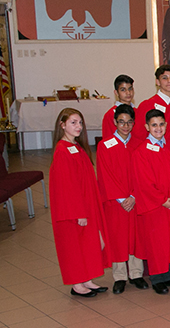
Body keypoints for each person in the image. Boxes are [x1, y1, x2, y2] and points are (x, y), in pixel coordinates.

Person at [50, 108, 110, 297]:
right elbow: (66, 186)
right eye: (73, 123)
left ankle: (87, 279)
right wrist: (78, 213)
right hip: (74, 211)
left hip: (87, 205)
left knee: (88, 244)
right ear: (62, 125)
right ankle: (77, 284)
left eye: (80, 123)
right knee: (74, 247)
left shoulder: (77, 147)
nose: (78, 127)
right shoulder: (62, 150)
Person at [131, 109, 170, 295]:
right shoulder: (141, 152)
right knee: (157, 243)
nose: (158, 128)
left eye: (161, 124)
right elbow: (143, 182)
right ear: (147, 127)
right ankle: (157, 277)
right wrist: (162, 200)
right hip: (156, 206)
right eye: (154, 125)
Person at [96, 104, 146, 294]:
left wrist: (133, 196)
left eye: (129, 122)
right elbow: (105, 175)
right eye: (121, 122)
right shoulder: (105, 145)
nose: (125, 126)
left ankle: (136, 273)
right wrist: (120, 198)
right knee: (118, 237)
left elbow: (143, 174)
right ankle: (120, 276)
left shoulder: (139, 144)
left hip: (135, 200)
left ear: (134, 123)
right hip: (116, 202)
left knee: (136, 236)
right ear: (115, 122)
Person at [134, 65, 170, 144]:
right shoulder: (147, 105)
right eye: (164, 78)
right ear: (157, 82)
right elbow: (139, 135)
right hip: (158, 151)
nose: (169, 81)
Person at [101, 74, 134, 140]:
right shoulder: (110, 114)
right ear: (116, 92)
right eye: (123, 90)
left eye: (130, 89)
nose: (128, 93)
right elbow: (108, 140)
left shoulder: (137, 111)